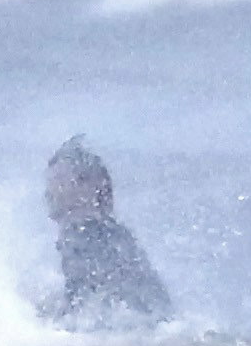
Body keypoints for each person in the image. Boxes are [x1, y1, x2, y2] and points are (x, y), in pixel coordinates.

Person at [42, 137, 173, 329]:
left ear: (88, 187)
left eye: (58, 181)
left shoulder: (84, 235)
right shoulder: (117, 235)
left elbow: (75, 312)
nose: (48, 193)